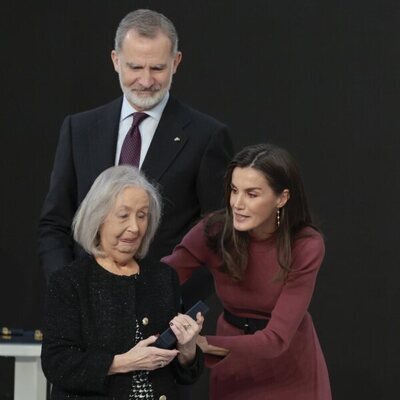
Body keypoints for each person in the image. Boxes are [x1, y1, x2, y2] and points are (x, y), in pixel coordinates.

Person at [38, 9, 233, 286]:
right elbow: (55, 224)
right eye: (135, 67)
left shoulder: (207, 136)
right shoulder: (78, 129)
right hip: (84, 305)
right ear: (116, 61)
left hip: (164, 311)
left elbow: (217, 237)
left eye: (157, 68)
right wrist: (66, 292)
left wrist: (171, 303)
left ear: (176, 62)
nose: (145, 80)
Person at [162, 143, 332, 400]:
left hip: (291, 368)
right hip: (232, 365)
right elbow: (160, 278)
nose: (237, 204)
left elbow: (275, 340)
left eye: (252, 194)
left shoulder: (305, 244)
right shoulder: (215, 230)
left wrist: (203, 344)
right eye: (234, 190)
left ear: (282, 198)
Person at [41, 165, 205, 399]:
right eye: (123, 215)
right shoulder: (69, 282)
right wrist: (122, 363)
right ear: (98, 218)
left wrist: (187, 349)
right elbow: (56, 363)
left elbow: (185, 375)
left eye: (142, 216)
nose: (134, 227)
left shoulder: (163, 277)